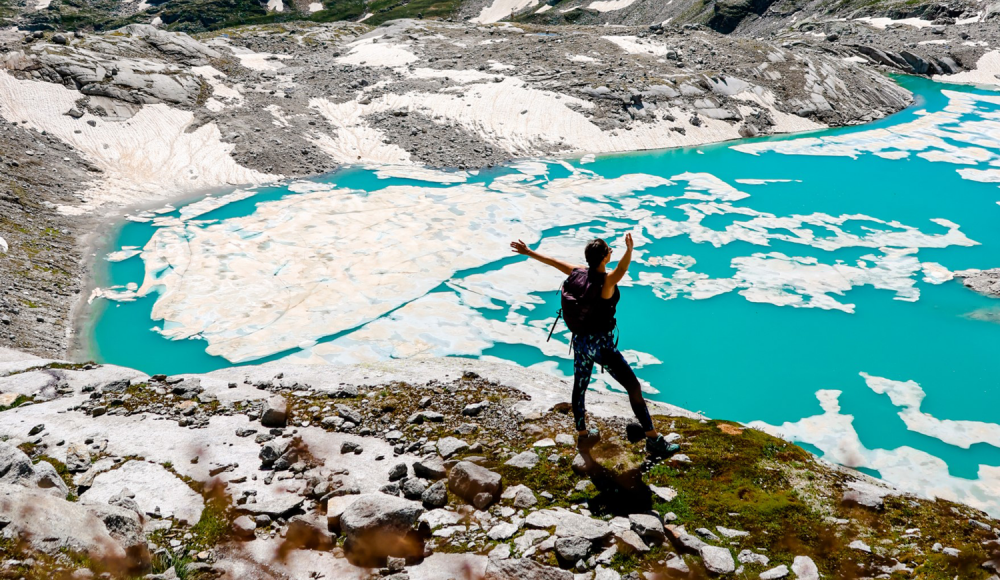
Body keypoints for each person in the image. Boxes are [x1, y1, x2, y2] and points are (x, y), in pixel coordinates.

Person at [510, 234, 679, 457]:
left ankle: (583, 436)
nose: (612, 251)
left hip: (580, 342)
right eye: (609, 249)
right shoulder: (606, 282)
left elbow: (553, 261)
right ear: (603, 258)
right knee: (633, 387)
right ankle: (653, 439)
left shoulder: (578, 272)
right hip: (602, 347)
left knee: (580, 387)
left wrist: (529, 252)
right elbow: (621, 271)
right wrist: (629, 250)